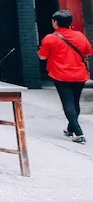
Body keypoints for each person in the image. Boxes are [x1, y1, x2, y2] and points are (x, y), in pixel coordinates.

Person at [38, 10, 93, 144]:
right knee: (75, 102)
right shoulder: (80, 36)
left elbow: (42, 56)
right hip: (79, 74)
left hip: (60, 74)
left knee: (68, 103)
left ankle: (78, 133)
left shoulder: (50, 38)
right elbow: (88, 52)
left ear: (55, 22)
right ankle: (70, 128)